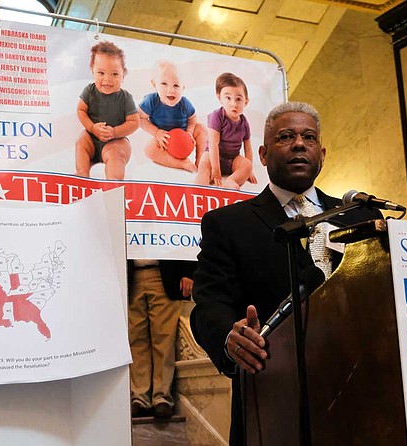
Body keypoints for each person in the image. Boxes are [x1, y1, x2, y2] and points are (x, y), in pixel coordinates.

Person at [189, 102, 381, 444]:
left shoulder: (360, 217)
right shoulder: (229, 224)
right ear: (262, 154)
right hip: (273, 401)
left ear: (322, 153)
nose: (298, 144)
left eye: (308, 137)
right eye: (286, 136)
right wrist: (228, 340)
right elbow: (208, 306)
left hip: (364, 399)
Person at [128, 260, 196, 418]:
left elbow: (185, 238)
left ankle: (162, 397)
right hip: (130, 277)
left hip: (164, 275)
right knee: (135, 339)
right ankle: (139, 398)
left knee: (164, 339)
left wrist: (189, 272)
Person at [75, 41, 139, 180]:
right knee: (81, 141)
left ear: (124, 75)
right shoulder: (89, 91)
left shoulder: (125, 97)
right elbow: (81, 110)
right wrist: (92, 128)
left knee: (116, 154)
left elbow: (134, 122)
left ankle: (113, 185)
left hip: (115, 141)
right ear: (93, 71)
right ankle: (82, 174)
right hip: (92, 138)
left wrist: (115, 132)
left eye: (115, 74)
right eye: (101, 73)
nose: (107, 79)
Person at [138, 60, 206, 172]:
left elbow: (192, 118)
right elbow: (140, 118)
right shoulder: (151, 101)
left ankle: (200, 161)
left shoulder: (184, 103)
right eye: (164, 84)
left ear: (183, 88)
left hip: (184, 135)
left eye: (176, 85)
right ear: (154, 84)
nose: (171, 90)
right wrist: (157, 133)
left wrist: (189, 132)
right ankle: (181, 163)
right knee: (149, 149)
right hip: (165, 139)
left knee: (202, 129)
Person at [195, 72, 257, 190]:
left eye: (238, 99)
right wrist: (216, 170)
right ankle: (202, 185)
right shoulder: (217, 116)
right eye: (228, 98)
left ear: (246, 102)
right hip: (212, 156)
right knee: (203, 166)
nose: (233, 103)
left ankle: (230, 180)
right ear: (220, 98)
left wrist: (249, 171)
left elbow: (247, 148)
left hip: (232, 159)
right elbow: (213, 144)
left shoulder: (244, 123)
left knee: (247, 165)